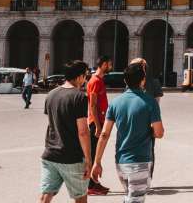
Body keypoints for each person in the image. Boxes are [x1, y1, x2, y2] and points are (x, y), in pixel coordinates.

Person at [91, 63, 164, 203]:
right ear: (143, 81)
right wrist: (148, 130)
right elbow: (159, 133)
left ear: (125, 81)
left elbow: (104, 134)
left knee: (131, 196)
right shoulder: (150, 102)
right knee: (135, 199)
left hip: (121, 162)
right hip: (140, 162)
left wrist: (97, 162)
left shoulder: (115, 103)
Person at [40, 61, 92, 203]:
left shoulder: (51, 94)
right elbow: (83, 131)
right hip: (71, 157)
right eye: (85, 76)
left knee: (46, 195)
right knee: (80, 197)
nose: (85, 80)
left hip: (50, 154)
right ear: (80, 76)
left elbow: (52, 123)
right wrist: (88, 159)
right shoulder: (79, 96)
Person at [86, 56, 112, 196]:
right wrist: (97, 126)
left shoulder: (99, 80)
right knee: (92, 155)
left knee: (95, 154)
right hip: (96, 122)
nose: (110, 66)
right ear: (102, 65)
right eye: (109, 64)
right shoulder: (95, 81)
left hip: (99, 121)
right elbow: (93, 105)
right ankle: (90, 185)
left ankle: (93, 183)